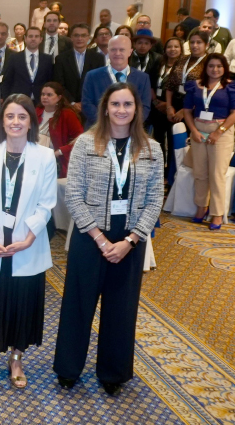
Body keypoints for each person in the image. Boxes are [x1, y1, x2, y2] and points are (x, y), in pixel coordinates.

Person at [54, 82, 163, 396]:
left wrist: (129, 241)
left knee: (121, 308)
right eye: (115, 104)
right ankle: (68, 369)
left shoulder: (151, 149)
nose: (121, 110)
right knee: (78, 304)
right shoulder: (86, 144)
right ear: (105, 108)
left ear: (136, 109)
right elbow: (73, 196)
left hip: (130, 241)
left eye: (127, 105)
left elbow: (155, 200)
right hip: (91, 237)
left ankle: (113, 373)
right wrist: (101, 241)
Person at [0, 93, 56, 389]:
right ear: (2, 120)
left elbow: (46, 203)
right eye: (10, 116)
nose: (15, 122)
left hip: (26, 244)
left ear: (31, 121)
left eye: (22, 116)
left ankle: (16, 358)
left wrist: (29, 238)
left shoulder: (44, 156)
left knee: (21, 300)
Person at [182, 53, 235, 230]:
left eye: (219, 66)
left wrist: (219, 132)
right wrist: (193, 131)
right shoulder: (195, 86)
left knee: (216, 174)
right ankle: (201, 207)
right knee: (200, 173)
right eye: (211, 66)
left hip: (221, 132)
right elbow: (187, 110)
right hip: (199, 131)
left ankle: (217, 213)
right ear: (206, 68)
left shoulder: (231, 87)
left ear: (224, 68)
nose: (215, 69)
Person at [81, 35, 152, 127]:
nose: (117, 53)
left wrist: (125, 124)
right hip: (97, 129)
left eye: (122, 50)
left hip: (130, 130)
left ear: (130, 52)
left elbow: (144, 107)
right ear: (108, 51)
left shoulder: (143, 78)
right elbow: (87, 104)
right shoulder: (92, 76)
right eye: (113, 49)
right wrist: (108, 123)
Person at [53, 23, 106, 114]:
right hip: (67, 107)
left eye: (83, 35)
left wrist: (85, 102)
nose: (80, 38)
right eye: (76, 35)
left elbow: (99, 83)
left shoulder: (98, 58)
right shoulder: (61, 58)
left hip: (91, 106)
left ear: (88, 38)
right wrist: (72, 103)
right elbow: (59, 84)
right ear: (71, 37)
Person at [36, 82, 82, 177]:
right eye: (43, 94)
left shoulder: (68, 114)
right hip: (35, 158)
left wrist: (59, 152)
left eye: (49, 95)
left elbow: (80, 139)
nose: (45, 97)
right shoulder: (37, 111)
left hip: (57, 161)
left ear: (59, 97)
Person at [152, 37, 183, 170]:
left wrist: (168, 105)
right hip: (157, 107)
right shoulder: (159, 63)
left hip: (174, 109)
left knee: (172, 141)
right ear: (165, 49)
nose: (173, 49)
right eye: (170, 47)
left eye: (176, 47)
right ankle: (159, 170)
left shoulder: (183, 67)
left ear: (181, 49)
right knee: (157, 140)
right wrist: (155, 102)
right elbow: (150, 83)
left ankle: (170, 172)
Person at [165, 32, 208, 126]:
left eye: (199, 42)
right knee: (172, 137)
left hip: (195, 107)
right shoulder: (181, 59)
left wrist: (185, 110)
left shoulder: (209, 63)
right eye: (192, 42)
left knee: (187, 139)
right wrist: (169, 107)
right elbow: (170, 85)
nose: (194, 45)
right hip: (175, 104)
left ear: (206, 45)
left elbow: (208, 91)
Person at [1, 26, 53, 103]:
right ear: (25, 38)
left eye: (36, 36)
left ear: (41, 39)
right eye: (30, 36)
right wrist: (7, 100)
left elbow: (50, 82)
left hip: (40, 102)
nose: (33, 39)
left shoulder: (47, 59)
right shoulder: (14, 57)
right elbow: (6, 81)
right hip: (18, 101)